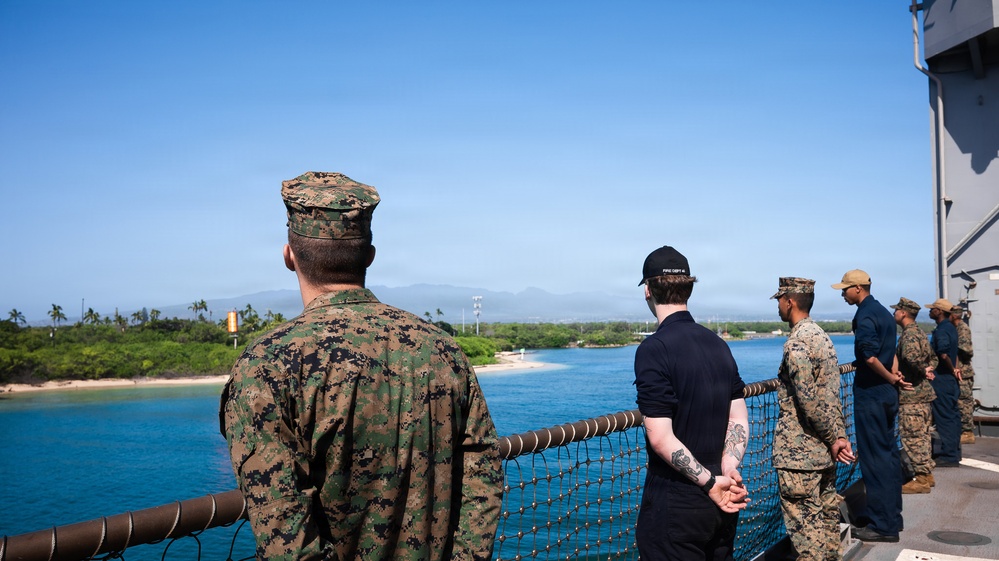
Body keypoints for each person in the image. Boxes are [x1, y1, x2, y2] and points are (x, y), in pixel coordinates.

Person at [220, 171, 504, 561]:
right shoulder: (443, 350)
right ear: (369, 256)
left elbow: (285, 536)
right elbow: (483, 476)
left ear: (289, 257)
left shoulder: (267, 365)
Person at [633, 246, 750, 561]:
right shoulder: (718, 345)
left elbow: (659, 436)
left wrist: (711, 483)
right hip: (723, 496)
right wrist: (727, 467)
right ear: (689, 288)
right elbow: (738, 419)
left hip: (677, 499)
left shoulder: (654, 349)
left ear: (648, 291)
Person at [771, 277, 855, 560]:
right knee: (828, 523)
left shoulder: (797, 344)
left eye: (780, 301)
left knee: (808, 536)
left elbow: (808, 402)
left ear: (789, 301)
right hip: (824, 452)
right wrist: (838, 437)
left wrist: (834, 439)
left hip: (800, 455)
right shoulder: (822, 337)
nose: (779, 307)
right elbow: (832, 395)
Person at [831, 269, 902, 543]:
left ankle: (882, 526)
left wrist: (889, 376)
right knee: (888, 454)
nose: (842, 293)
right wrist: (894, 377)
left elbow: (870, 357)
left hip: (872, 393)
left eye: (845, 289)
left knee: (873, 460)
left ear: (859, 288)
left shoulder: (864, 315)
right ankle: (891, 516)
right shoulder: (884, 312)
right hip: (886, 394)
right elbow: (891, 350)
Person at [891, 297, 937, 494]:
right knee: (924, 435)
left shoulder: (909, 335)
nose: (894, 314)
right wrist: (928, 368)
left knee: (913, 436)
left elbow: (910, 358)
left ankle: (921, 480)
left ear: (903, 313)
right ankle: (926, 474)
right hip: (923, 395)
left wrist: (921, 371)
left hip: (912, 395)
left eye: (896, 311)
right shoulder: (920, 333)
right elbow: (933, 358)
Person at [926, 298, 962, 467]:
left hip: (942, 379)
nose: (930, 311)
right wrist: (955, 370)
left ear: (939, 311)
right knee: (953, 416)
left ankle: (949, 456)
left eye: (933, 309)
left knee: (945, 417)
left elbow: (943, 354)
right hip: (950, 381)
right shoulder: (951, 328)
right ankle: (955, 451)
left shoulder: (941, 331)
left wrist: (951, 369)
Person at [950, 304, 976, 444]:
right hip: (959, 370)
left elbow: (966, 350)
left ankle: (967, 432)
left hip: (963, 371)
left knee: (964, 402)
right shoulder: (956, 329)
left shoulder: (962, 329)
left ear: (954, 315)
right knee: (959, 401)